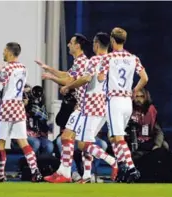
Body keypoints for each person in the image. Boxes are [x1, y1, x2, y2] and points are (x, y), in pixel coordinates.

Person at [51, 32, 118, 183]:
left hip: (91, 105)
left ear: (96, 44)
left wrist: (68, 87)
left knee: (81, 143)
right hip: (103, 105)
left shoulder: (94, 60)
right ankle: (84, 175)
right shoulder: (112, 61)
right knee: (78, 140)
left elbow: (86, 78)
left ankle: (112, 161)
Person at [0, 42, 43, 182]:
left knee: (0, 142)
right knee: (23, 142)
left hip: (5, 107)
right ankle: (35, 171)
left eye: (5, 50)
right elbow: (11, 82)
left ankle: (0, 174)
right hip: (18, 107)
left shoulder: (7, 69)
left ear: (10, 52)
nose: (3, 53)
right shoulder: (23, 68)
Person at [98, 27, 149, 182]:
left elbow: (100, 78)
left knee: (118, 137)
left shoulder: (108, 58)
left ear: (113, 40)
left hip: (114, 101)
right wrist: (135, 90)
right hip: (127, 102)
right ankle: (123, 169)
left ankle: (131, 168)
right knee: (113, 136)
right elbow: (145, 78)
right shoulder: (133, 58)